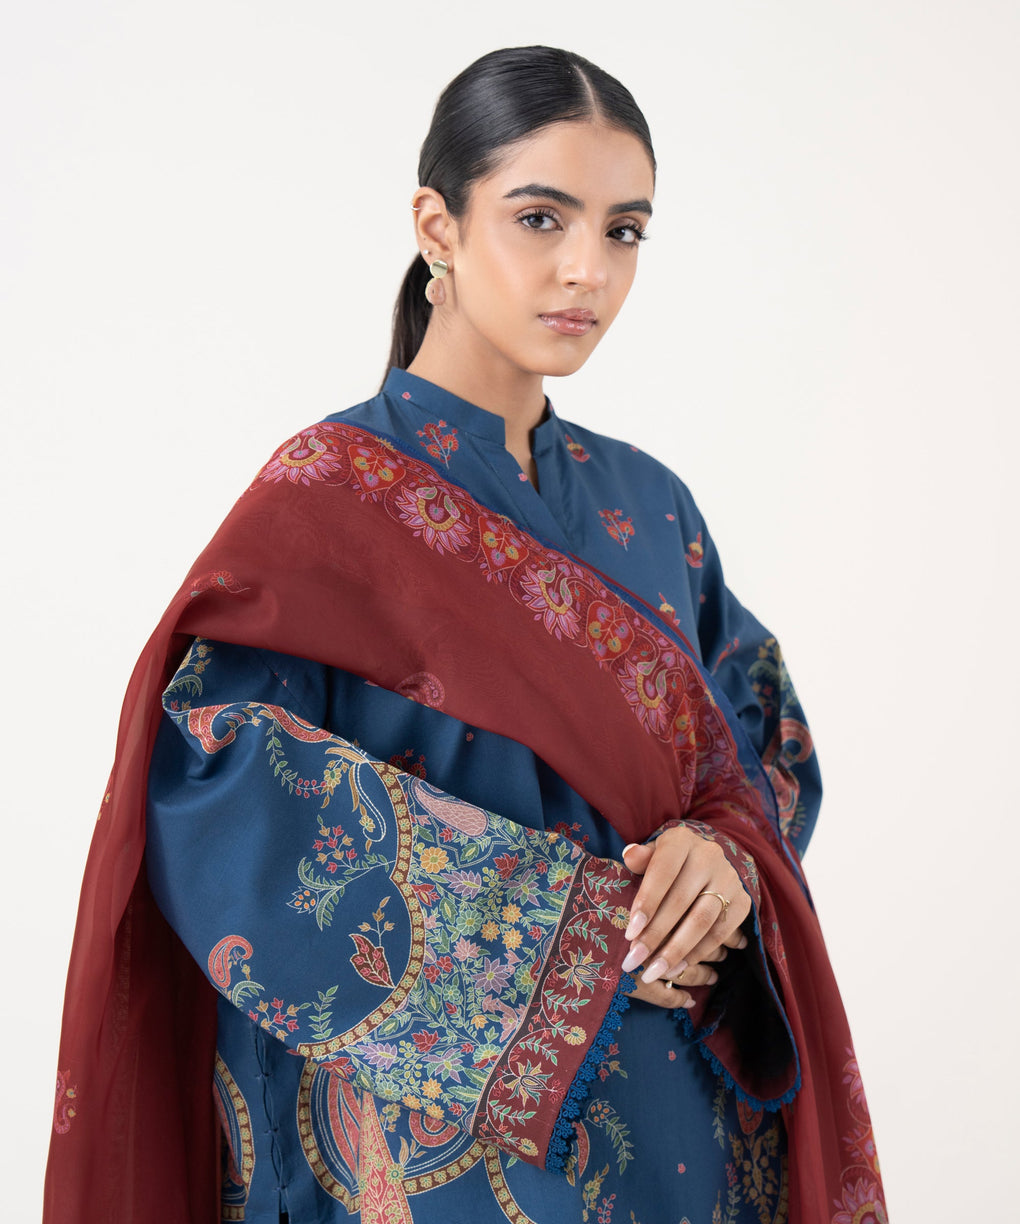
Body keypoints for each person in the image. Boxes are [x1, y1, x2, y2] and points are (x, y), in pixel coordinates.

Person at [44, 45, 886, 1224]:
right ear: (437, 226)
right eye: (540, 218)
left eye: (625, 231)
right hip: (434, 1155)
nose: (587, 268)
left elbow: (763, 743)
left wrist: (727, 861)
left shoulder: (653, 507)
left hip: (688, 1134)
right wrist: (567, 939)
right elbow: (212, 782)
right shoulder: (326, 503)